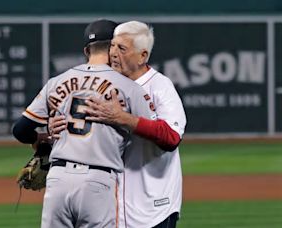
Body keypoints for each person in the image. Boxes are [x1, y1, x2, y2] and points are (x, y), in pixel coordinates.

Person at [13, 19, 157, 228]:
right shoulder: (129, 87)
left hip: (58, 179)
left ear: (86, 50)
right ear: (113, 48)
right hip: (97, 182)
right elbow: (154, 135)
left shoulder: (56, 82)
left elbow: (20, 130)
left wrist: (41, 138)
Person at [49, 21, 187, 228]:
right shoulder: (105, 84)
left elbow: (171, 137)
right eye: (112, 45)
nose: (113, 53)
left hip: (153, 207)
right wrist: (53, 132)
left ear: (143, 56)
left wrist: (122, 118)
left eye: (122, 48)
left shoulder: (160, 86)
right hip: (109, 206)